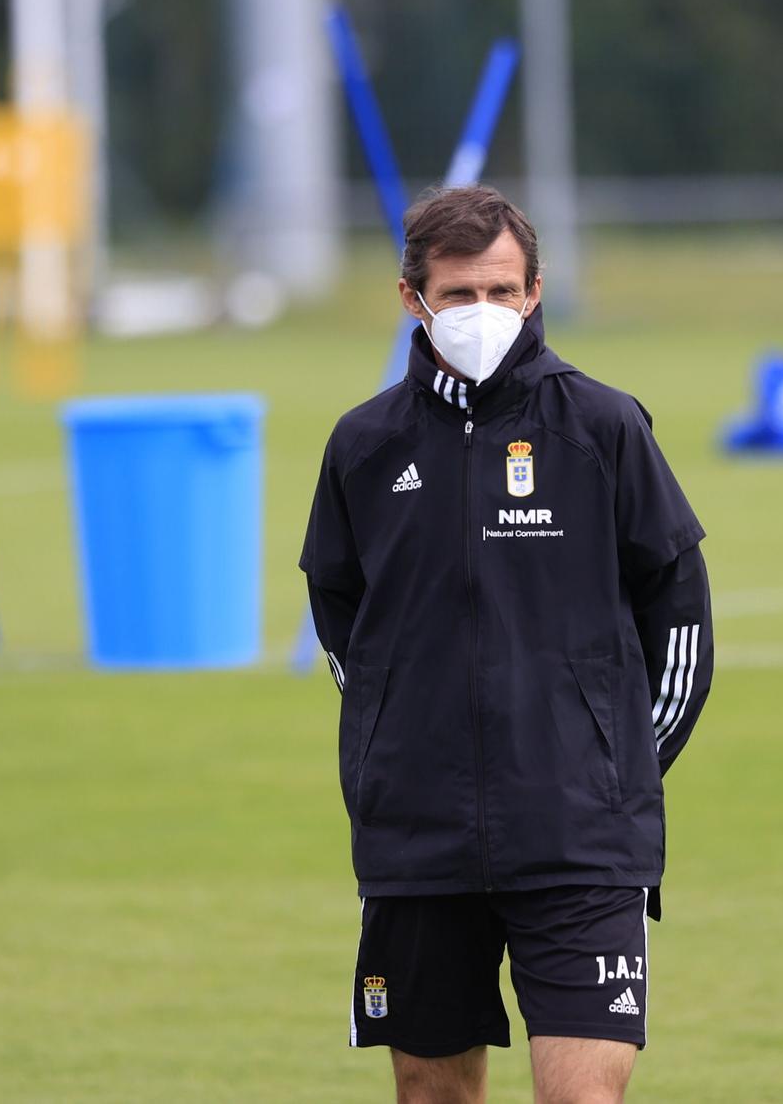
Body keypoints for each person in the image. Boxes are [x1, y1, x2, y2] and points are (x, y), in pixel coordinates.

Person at [301, 186, 713, 1104]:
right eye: (457, 295)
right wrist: (391, 737)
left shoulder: (603, 429)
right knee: (431, 1095)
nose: (480, 313)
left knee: (580, 1097)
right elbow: (341, 615)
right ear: (413, 299)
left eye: (500, 291)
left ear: (534, 292)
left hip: (578, 838)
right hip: (419, 837)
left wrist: (616, 768)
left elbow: (679, 609)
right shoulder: (363, 447)